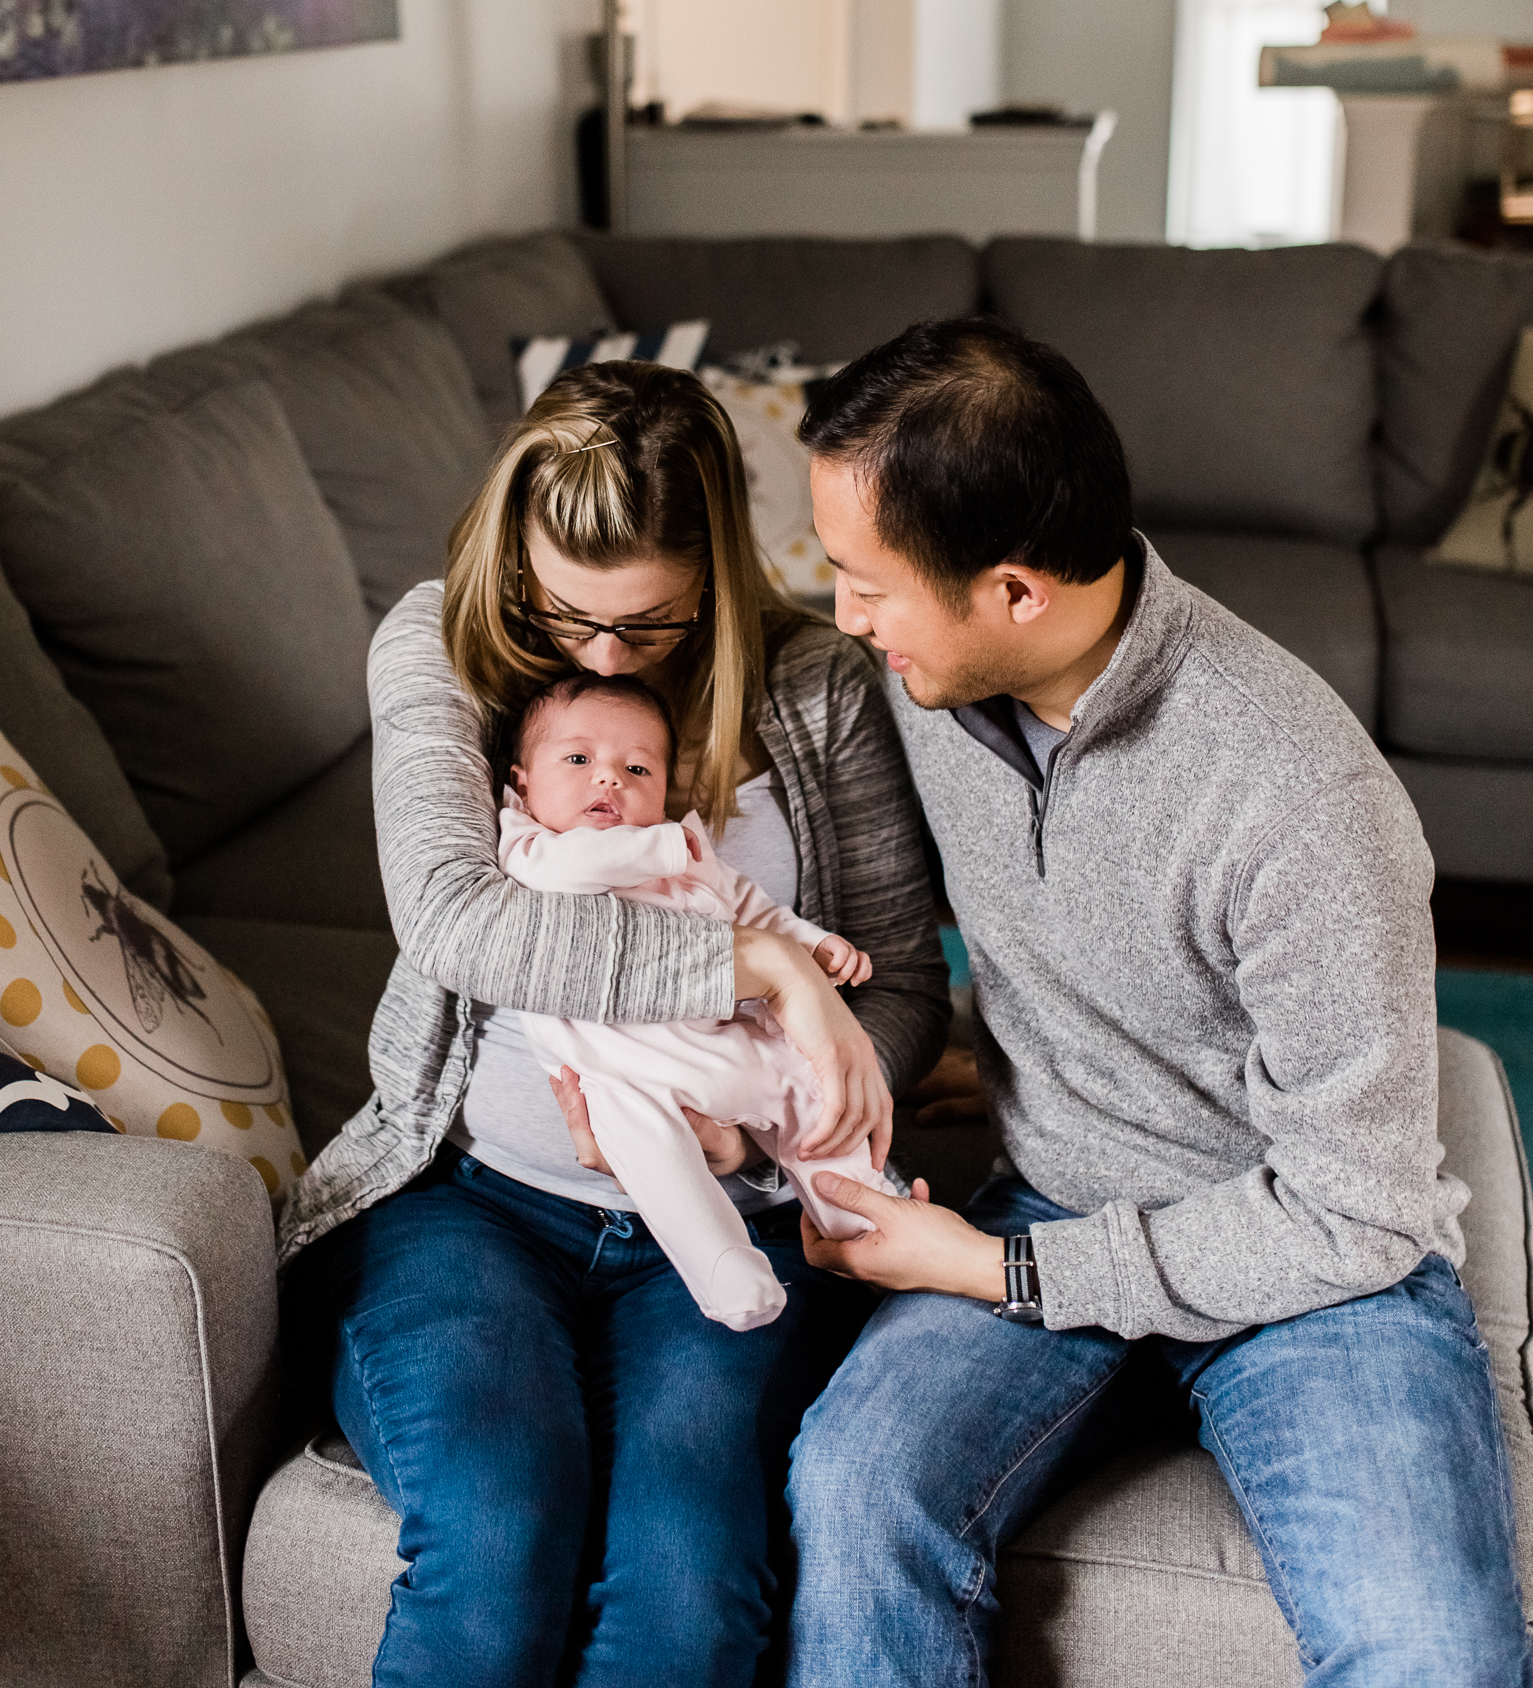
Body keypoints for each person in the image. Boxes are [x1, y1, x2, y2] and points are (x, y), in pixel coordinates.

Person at [784, 317, 1529, 1687]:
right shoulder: (923, 675)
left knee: (1433, 1652)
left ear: (1012, 591)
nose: (844, 617)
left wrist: (994, 1270)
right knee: (849, 1490)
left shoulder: (1300, 797)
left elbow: (1352, 1208)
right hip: (1054, 1179)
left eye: (864, 583)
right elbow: (690, 660)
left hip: (1313, 1268)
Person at [277, 360, 949, 1688]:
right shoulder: (442, 644)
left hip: (729, 1220)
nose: (591, 655)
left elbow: (911, 990)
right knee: (498, 1526)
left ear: (719, 573)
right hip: (467, 1201)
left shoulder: (814, 688)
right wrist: (762, 962)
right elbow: (460, 922)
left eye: (644, 626)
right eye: (560, 610)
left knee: (692, 1586)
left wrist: (760, 1126)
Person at [502, 668, 894, 1331]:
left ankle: (864, 1224)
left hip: (732, 1045)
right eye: (578, 759)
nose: (609, 779)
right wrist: (657, 848)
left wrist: (814, 945)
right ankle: (724, 1269)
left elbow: (756, 912)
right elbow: (561, 872)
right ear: (522, 784)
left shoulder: (694, 855)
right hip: (627, 1077)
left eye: (637, 768)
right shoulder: (530, 845)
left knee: (816, 1101)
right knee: (654, 1156)